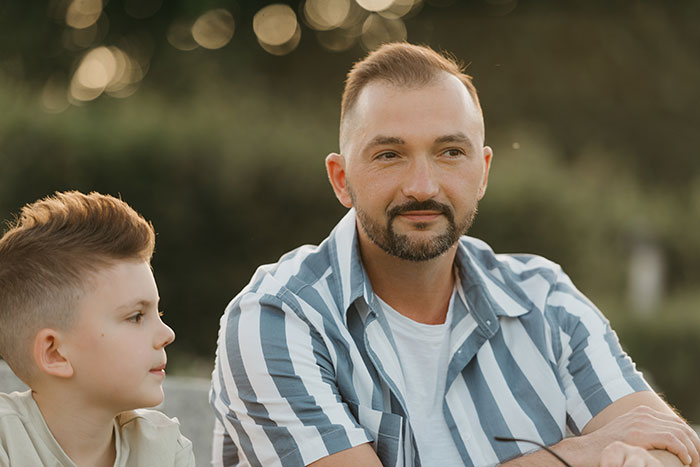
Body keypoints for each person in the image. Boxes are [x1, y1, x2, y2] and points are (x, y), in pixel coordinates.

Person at [210, 43, 700, 467]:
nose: (422, 186)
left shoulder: (544, 299)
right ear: (342, 179)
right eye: (389, 154)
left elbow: (671, 447)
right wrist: (576, 454)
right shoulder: (277, 317)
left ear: (483, 171)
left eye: (450, 152)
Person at [0, 191, 195, 466]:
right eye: (137, 316)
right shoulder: (6, 443)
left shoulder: (164, 449)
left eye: (158, 312)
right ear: (55, 353)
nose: (167, 334)